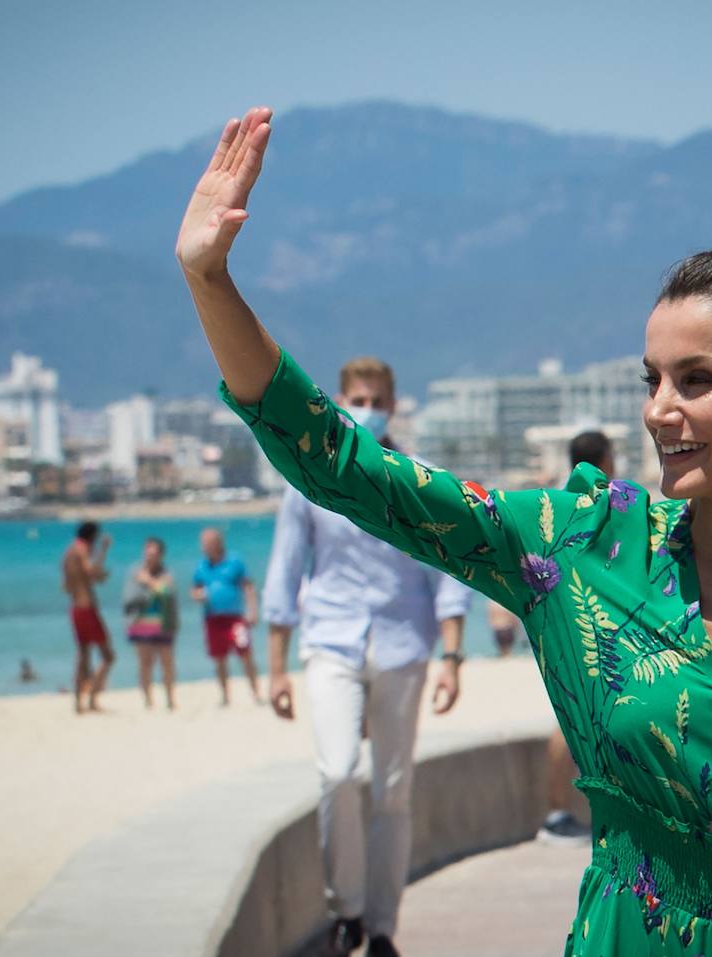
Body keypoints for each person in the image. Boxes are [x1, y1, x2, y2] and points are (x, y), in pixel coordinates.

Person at [178, 107, 712, 956]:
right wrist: (210, 281)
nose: (660, 409)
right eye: (651, 378)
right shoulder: (581, 546)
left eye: (696, 379)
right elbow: (348, 469)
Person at [262, 356, 473, 957]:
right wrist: (275, 668)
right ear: (337, 399)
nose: (367, 408)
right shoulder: (306, 476)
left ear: (394, 404)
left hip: (403, 645)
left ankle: (380, 926)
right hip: (329, 639)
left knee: (393, 790)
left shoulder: (419, 475)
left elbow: (447, 568)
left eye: (376, 398)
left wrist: (453, 658)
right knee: (337, 773)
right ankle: (344, 909)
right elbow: (284, 570)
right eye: (356, 397)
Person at [534, 429, 618, 848]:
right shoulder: (604, 501)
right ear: (605, 459)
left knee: (566, 718)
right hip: (584, 624)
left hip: (553, 618)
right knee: (567, 721)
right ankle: (558, 814)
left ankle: (559, 812)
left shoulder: (554, 499)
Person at [192, 527, 262, 705]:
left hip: (236, 618)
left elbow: (248, 586)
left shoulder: (235, 561)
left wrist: (252, 610)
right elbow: (195, 589)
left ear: (217, 543)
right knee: (219, 658)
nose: (203, 547)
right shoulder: (202, 566)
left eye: (206, 543)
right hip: (213, 619)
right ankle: (225, 697)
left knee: (245, 654)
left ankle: (256, 693)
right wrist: (198, 595)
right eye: (202, 543)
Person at [61, 521, 115, 714]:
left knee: (83, 655)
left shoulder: (68, 553)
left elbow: (67, 585)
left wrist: (94, 577)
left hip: (75, 607)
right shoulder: (82, 550)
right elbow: (91, 571)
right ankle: (92, 697)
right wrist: (103, 551)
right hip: (87, 608)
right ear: (92, 536)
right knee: (108, 656)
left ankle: (78, 702)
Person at [123, 536, 180, 710]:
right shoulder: (135, 571)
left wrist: (148, 581)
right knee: (144, 663)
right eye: (147, 553)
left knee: (167, 662)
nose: (149, 557)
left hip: (163, 623)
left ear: (160, 555)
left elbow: (167, 592)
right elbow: (129, 598)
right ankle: (147, 699)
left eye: (153, 554)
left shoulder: (166, 573)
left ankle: (170, 698)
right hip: (141, 623)